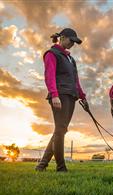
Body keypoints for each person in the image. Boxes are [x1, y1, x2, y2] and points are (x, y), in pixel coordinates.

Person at [35, 28, 88, 172]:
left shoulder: (71, 59)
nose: (72, 44)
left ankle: (42, 165)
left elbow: (76, 80)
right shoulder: (52, 54)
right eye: (71, 41)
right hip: (60, 95)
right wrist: (54, 94)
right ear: (62, 38)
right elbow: (49, 75)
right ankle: (61, 167)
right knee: (60, 130)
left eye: (75, 42)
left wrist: (82, 96)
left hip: (71, 96)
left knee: (60, 130)